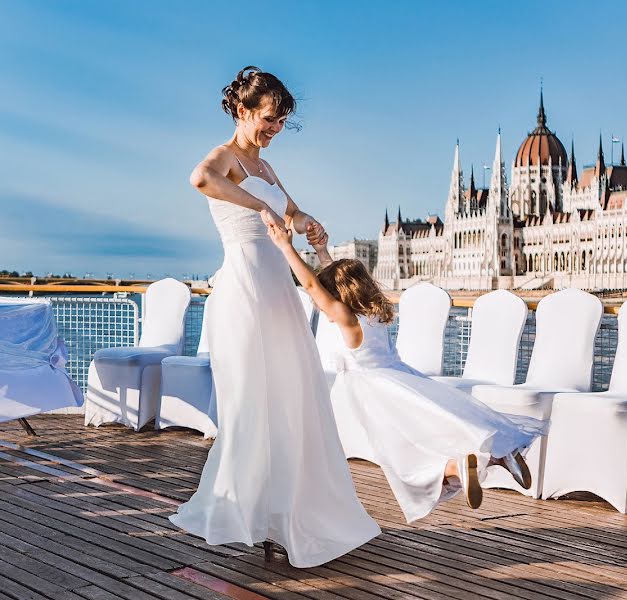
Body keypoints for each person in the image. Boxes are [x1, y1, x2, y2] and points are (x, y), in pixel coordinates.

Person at [169, 66, 380, 567]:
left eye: (281, 121)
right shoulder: (225, 158)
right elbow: (200, 179)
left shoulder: (263, 165)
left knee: (293, 394)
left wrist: (306, 223)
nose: (274, 129)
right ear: (242, 111)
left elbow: (291, 215)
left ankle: (290, 513)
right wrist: (259, 210)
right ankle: (252, 514)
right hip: (243, 289)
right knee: (253, 402)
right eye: (268, 119)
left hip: (279, 290)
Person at [267, 223, 547, 523]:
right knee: (436, 432)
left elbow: (312, 287)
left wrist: (287, 248)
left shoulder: (348, 320)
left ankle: (454, 468)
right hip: (402, 377)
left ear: (338, 296)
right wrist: (322, 252)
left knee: (406, 457)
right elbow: (328, 282)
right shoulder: (373, 315)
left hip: (377, 394)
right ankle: (501, 455)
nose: (322, 305)